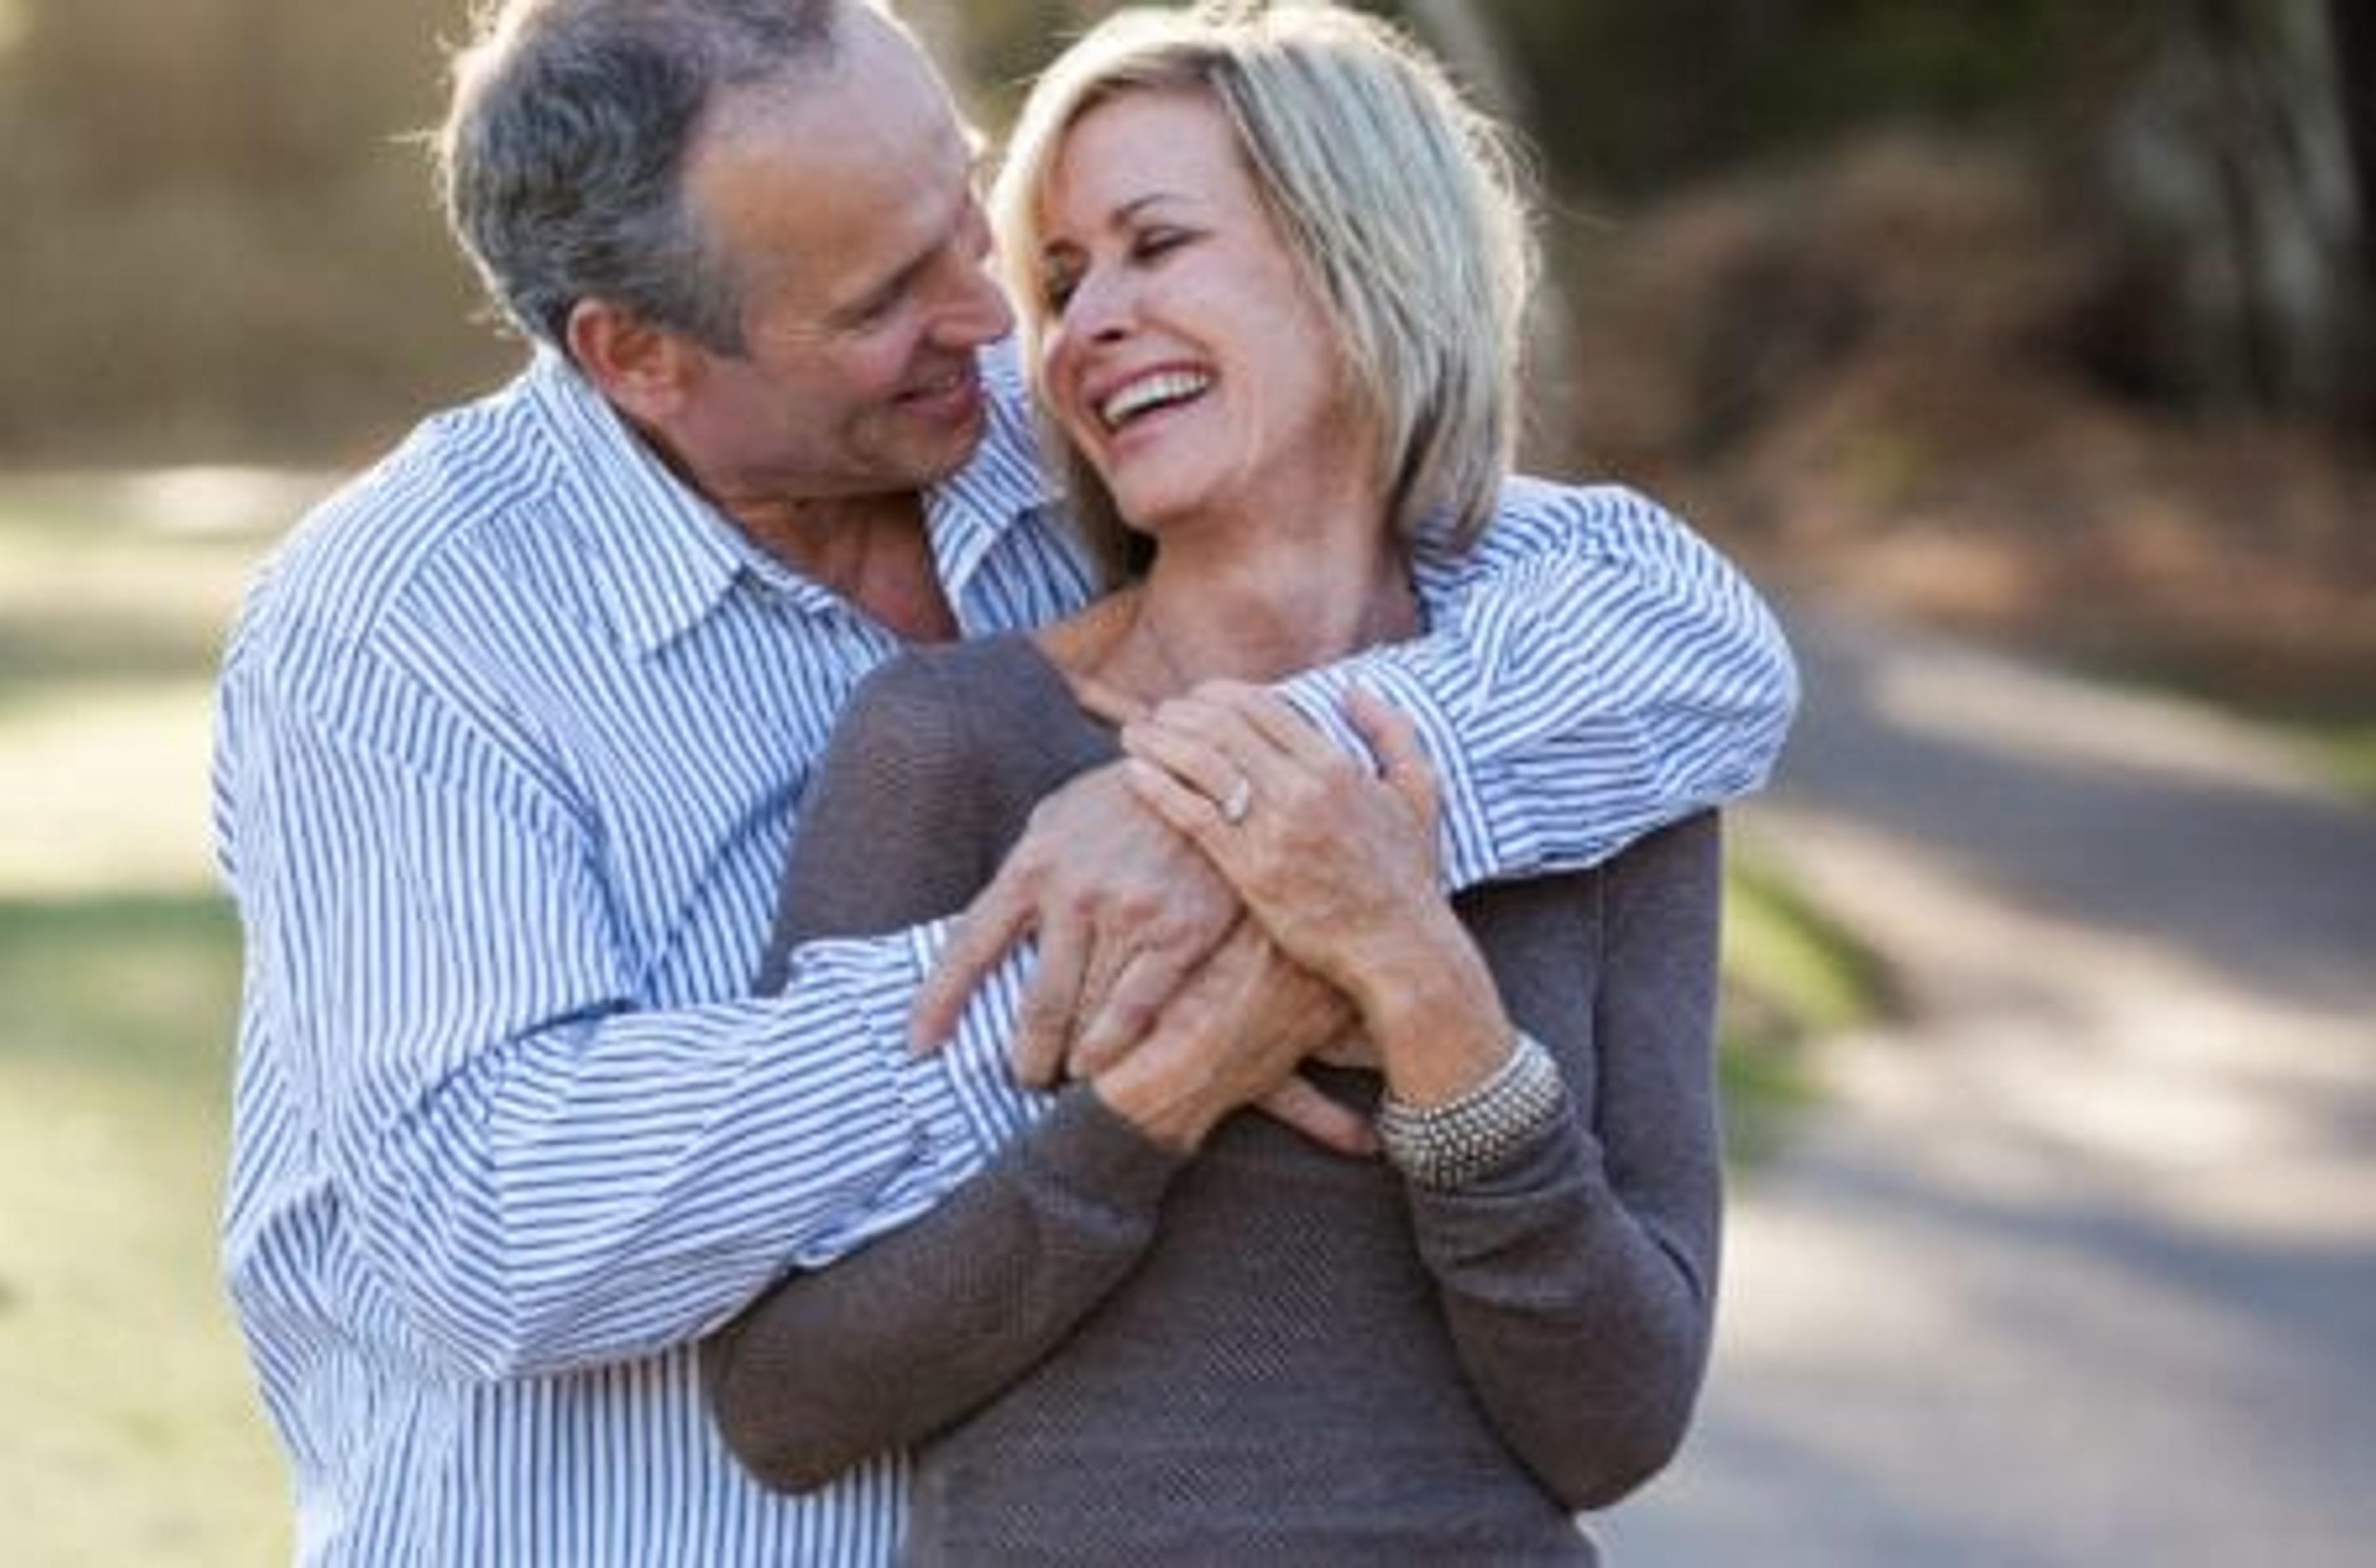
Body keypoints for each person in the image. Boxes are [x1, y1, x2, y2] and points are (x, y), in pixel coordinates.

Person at [208, 0, 1794, 1561]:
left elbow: (1681, 632)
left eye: (968, 210)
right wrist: (1112, 995)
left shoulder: (1073, 424)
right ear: (638, 356)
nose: (993, 311)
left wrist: (1261, 804)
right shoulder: (402, 633)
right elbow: (492, 1226)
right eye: (890, 288)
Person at [702, 6, 1726, 1560]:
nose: (1083, 320)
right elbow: (790, 1399)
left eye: (1153, 244)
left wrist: (1414, 977)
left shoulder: (1597, 745)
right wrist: (1169, 1091)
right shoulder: (956, 742)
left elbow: (1618, 1422)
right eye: (1061, 280)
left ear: (1359, 259)